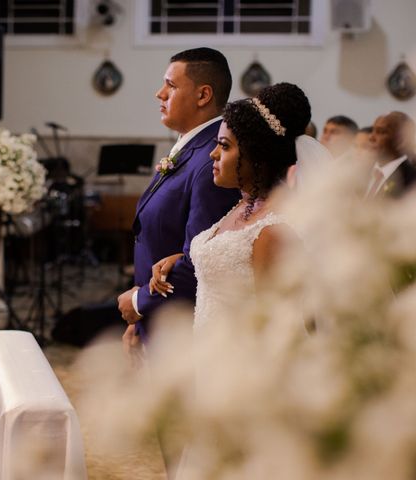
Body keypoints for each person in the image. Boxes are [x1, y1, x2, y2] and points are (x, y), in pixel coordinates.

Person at [148, 83, 311, 478]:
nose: (213, 154)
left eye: (225, 146)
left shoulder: (275, 229)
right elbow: (228, 261)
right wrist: (183, 257)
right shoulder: (242, 207)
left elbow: (280, 330)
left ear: (256, 155)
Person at [117, 47, 240, 354]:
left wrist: (138, 303)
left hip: (182, 332)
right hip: (157, 321)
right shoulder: (191, 149)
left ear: (203, 95)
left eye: (170, 85)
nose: (160, 94)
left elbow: (201, 259)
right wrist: (139, 321)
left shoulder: (211, 162)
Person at [366, 111, 416, 198]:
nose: (371, 137)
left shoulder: (415, 183)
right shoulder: (360, 171)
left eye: (381, 132)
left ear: (401, 141)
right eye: (372, 130)